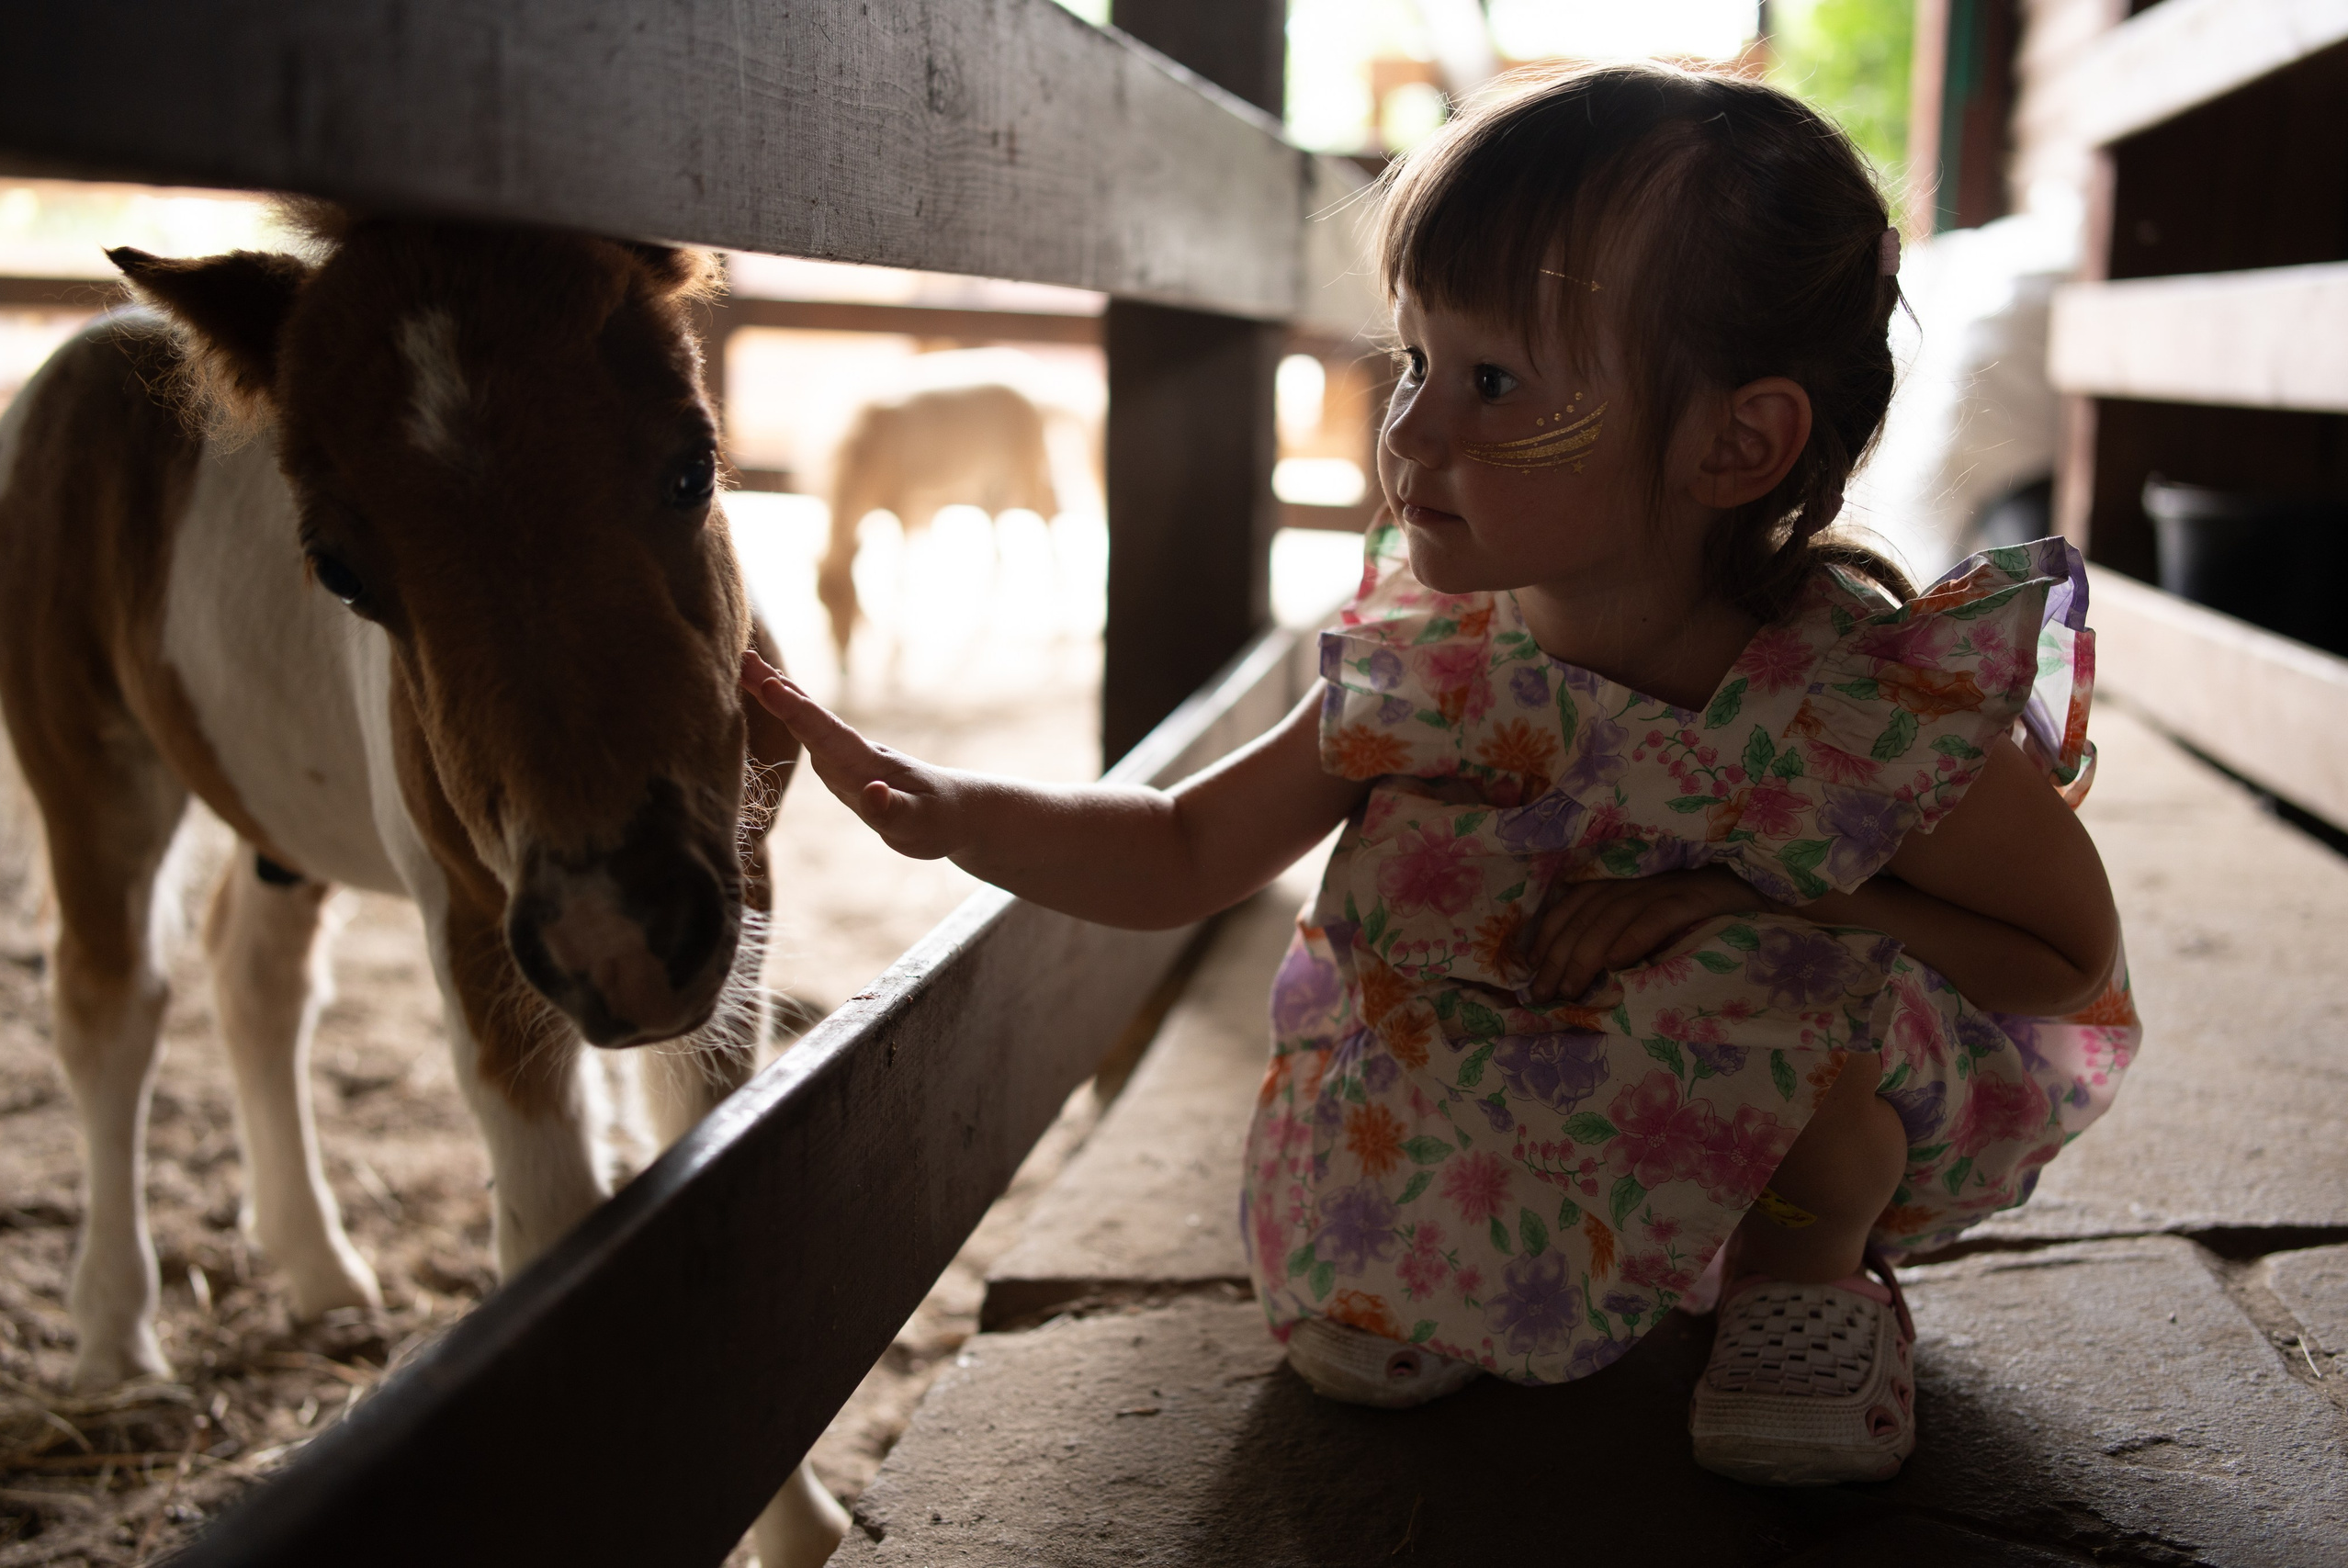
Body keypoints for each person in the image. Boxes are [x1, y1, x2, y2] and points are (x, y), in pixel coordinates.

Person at [740, 62, 2139, 1485]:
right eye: (1414, 362)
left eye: (1491, 382)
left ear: (1737, 441)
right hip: (1518, 1061)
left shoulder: (1848, 708)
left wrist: (1779, 907)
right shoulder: (1437, 658)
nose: (1408, 432)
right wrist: (958, 812)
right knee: (1407, 957)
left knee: (1767, 988)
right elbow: (1181, 847)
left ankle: (1806, 1278)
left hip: (1785, 1086)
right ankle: (1475, 1248)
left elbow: (2063, 958)